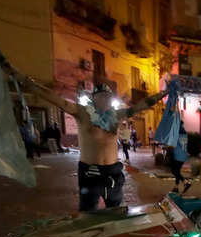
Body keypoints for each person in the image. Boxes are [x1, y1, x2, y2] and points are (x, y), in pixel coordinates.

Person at [18, 77, 167, 211]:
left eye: (108, 97)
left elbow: (141, 106)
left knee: (115, 212)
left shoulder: (117, 115)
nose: (106, 100)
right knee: (88, 214)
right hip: (90, 172)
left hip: (113, 173)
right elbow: (59, 101)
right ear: (93, 98)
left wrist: (163, 93)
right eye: (101, 96)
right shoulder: (82, 112)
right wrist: (30, 85)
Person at [171, 122, 191, 194]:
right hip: (182, 155)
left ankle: (186, 182)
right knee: (177, 171)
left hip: (178, 155)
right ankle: (176, 187)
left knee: (174, 171)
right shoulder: (183, 133)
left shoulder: (178, 134)